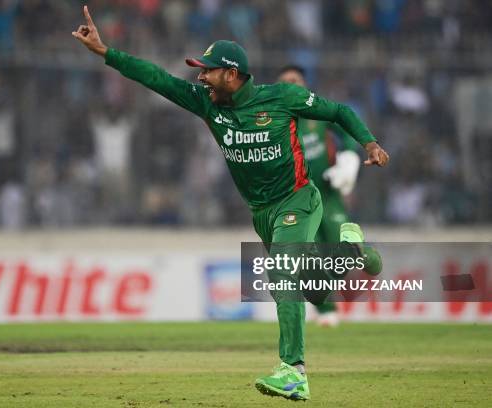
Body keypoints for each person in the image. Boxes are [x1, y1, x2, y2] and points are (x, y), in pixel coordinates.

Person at [72, 5, 389, 401]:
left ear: (233, 74)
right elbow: (156, 78)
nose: (200, 76)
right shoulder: (207, 103)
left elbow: (339, 111)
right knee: (310, 288)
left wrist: (370, 143)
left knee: (282, 274)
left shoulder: (282, 98)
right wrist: (106, 53)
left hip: (298, 199)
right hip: (262, 214)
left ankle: (294, 371)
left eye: (207, 70)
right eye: (199, 69)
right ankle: (357, 254)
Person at [277, 65, 362, 328]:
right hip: (298, 198)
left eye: (296, 80)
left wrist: (349, 157)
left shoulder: (318, 111)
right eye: (286, 82)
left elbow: (346, 130)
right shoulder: (275, 118)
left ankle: (319, 298)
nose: (292, 84)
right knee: (308, 253)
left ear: (305, 84)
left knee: (343, 247)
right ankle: (325, 308)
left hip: (328, 192)